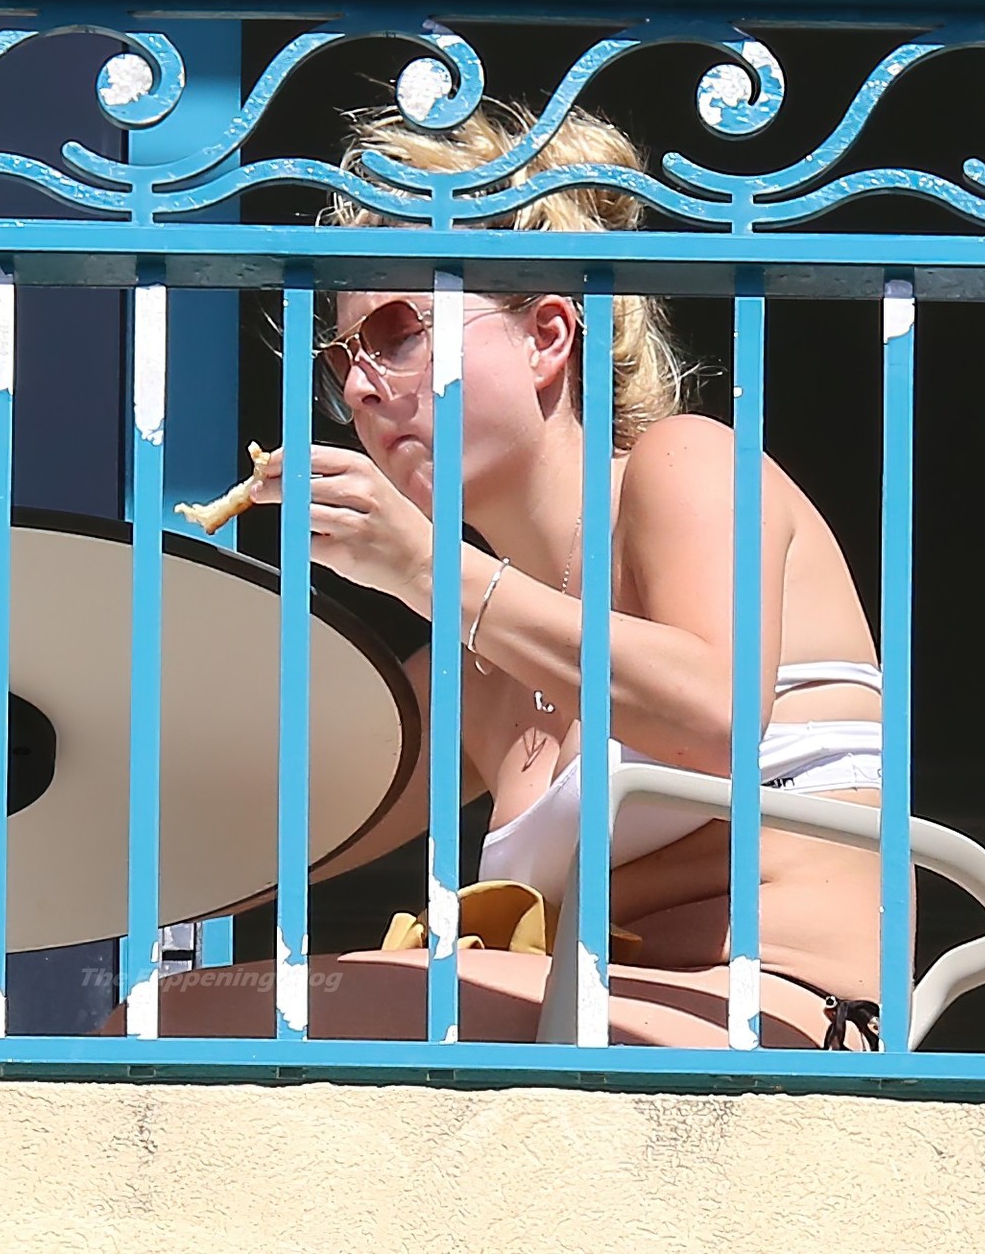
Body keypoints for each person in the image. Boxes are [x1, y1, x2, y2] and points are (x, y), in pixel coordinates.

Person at [95, 99, 890, 1047]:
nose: (360, 386)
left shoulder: (687, 466)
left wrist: (429, 569)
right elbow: (254, 841)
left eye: (397, 331)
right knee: (161, 1020)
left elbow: (714, 718)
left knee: (164, 1025)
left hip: (784, 1016)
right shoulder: (476, 666)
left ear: (548, 334)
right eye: (342, 360)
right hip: (578, 1032)